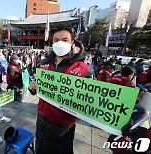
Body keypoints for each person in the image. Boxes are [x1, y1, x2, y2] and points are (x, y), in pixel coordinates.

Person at [29, 26, 92, 154]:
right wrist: (33, 88)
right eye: (56, 40)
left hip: (63, 126)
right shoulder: (44, 63)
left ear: (72, 42)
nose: (60, 43)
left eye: (65, 39)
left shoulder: (84, 69)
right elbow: (38, 88)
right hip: (42, 119)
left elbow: (94, 97)